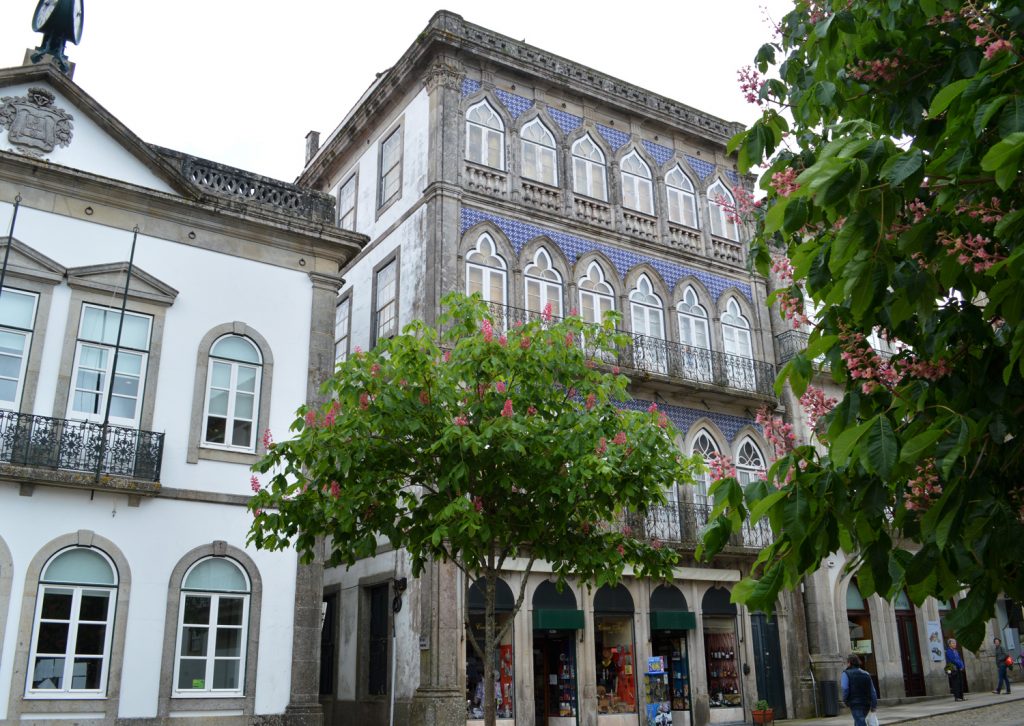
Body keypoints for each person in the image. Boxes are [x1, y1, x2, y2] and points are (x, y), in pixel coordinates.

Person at [841, 653, 878, 726]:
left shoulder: (846, 673)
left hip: (855, 703)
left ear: (849, 663)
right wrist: (874, 705)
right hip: (866, 703)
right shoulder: (866, 674)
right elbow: (872, 691)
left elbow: (845, 688)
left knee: (860, 721)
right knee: (859, 720)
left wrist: (845, 700)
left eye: (847, 662)